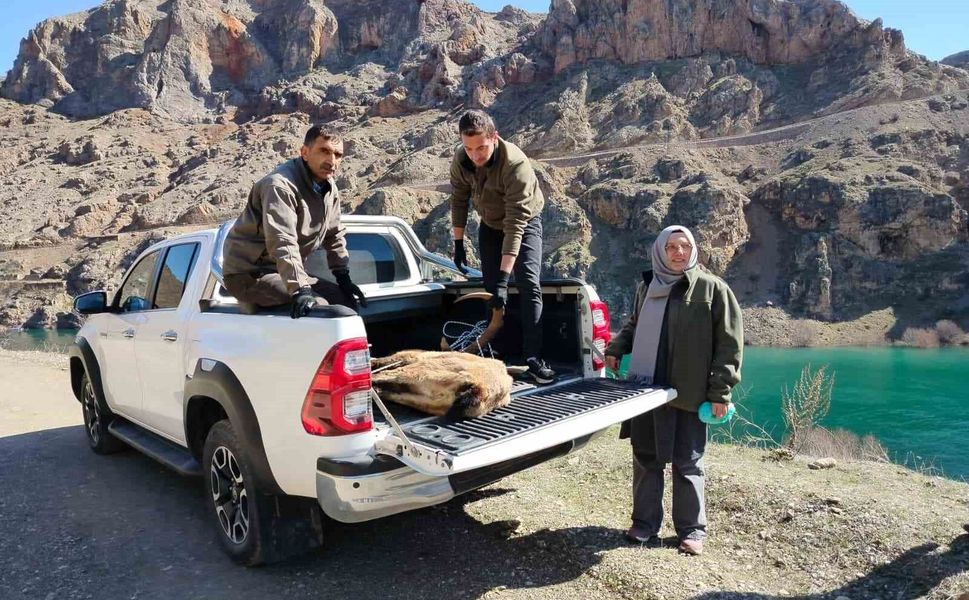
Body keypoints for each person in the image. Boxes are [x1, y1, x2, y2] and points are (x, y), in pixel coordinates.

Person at [604, 225, 743, 556]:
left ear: (693, 249)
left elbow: (729, 344)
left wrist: (720, 392)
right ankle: (644, 524)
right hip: (646, 389)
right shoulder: (648, 286)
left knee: (688, 461)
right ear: (661, 251)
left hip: (689, 393)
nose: (679, 252)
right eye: (671, 247)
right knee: (645, 457)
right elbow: (635, 324)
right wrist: (617, 347)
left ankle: (692, 530)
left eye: (685, 246)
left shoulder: (713, 289)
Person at [449, 109, 555, 384]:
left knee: (528, 282)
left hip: (524, 221)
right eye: (469, 148)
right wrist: (458, 242)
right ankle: (496, 350)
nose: (475, 155)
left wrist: (505, 278)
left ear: (494, 138)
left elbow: (515, 225)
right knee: (491, 287)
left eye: (481, 148)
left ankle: (534, 357)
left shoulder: (515, 164)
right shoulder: (462, 159)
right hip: (490, 223)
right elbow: (458, 199)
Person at [222, 126, 367, 318]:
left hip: (284, 272)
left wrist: (343, 277)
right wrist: (300, 290)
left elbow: (334, 235)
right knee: (319, 309)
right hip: (250, 273)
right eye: (324, 151)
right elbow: (282, 241)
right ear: (304, 152)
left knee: (345, 302)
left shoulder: (329, 188)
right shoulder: (279, 186)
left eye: (338, 155)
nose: (332, 161)